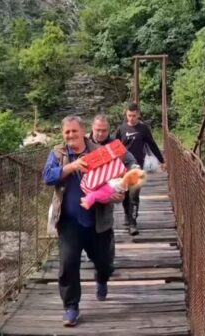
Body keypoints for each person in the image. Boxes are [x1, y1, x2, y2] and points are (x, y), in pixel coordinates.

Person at [43, 115, 136, 327]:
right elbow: (47, 177)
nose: (70, 135)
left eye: (74, 131)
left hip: (97, 220)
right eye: (66, 132)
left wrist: (119, 194)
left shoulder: (100, 152)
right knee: (68, 264)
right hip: (69, 222)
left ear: (83, 131)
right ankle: (71, 307)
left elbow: (117, 179)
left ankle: (102, 278)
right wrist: (72, 166)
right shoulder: (58, 153)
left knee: (104, 263)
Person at [115, 102, 165, 235]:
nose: (131, 118)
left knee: (134, 195)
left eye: (134, 116)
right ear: (126, 115)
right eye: (129, 115)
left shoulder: (143, 129)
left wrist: (162, 161)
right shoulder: (121, 129)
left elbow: (152, 144)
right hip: (123, 167)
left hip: (137, 167)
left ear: (138, 115)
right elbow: (114, 147)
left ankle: (133, 223)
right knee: (125, 194)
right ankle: (127, 214)